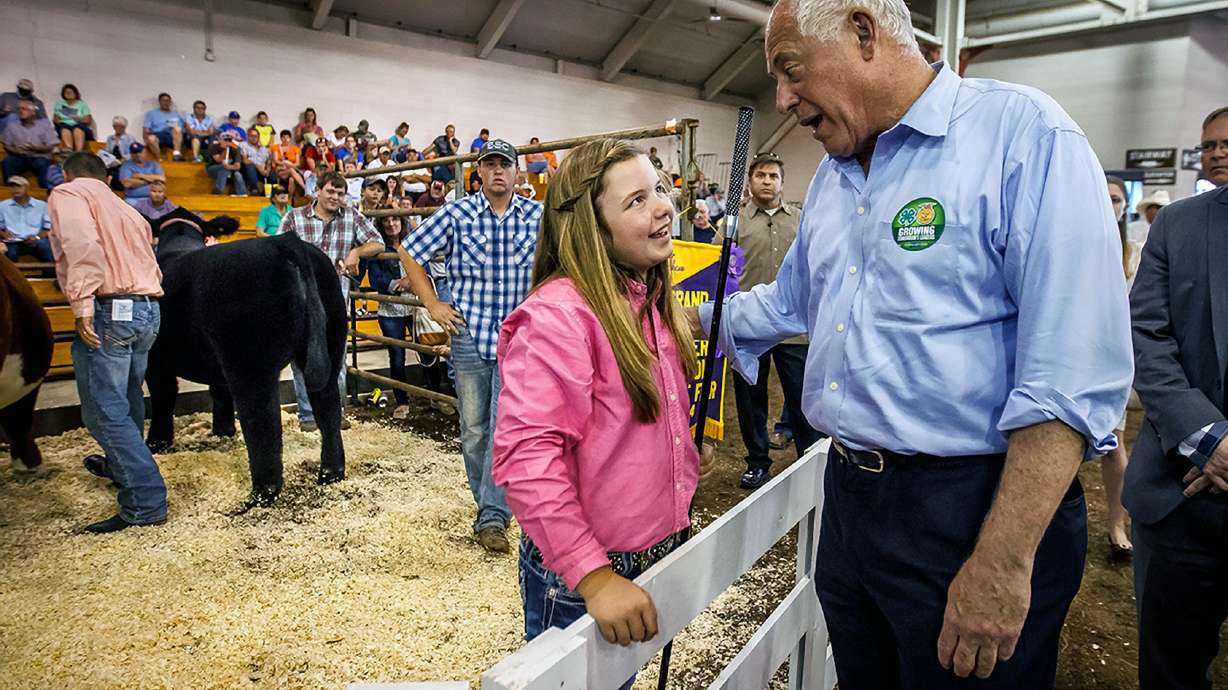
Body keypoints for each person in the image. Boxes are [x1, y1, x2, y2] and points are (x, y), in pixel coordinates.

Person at [692, 1, 1133, 687]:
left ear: (865, 34)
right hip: (851, 501)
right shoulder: (837, 177)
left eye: (790, 69)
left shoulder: (1023, 137)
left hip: (970, 510)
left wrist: (1003, 561)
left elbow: (1070, 377)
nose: (782, 98)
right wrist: (682, 319)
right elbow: (789, 304)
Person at [492, 139, 713, 681]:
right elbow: (526, 460)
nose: (663, 205)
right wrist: (594, 578)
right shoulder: (558, 317)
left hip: (643, 555)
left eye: (659, 189)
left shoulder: (644, 298)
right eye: (636, 201)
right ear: (594, 229)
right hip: (586, 573)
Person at [1125, 104, 1228, 690]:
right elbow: (1148, 337)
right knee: (1171, 668)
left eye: (1227, 142)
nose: (1216, 152)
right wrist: (1210, 442)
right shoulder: (1178, 225)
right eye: (1208, 144)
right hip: (1179, 495)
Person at [398, 139, 543, 553]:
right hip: (468, 335)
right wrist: (432, 303)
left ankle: (493, 515)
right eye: (490, 164)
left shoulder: (538, 216)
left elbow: (559, 262)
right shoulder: (457, 213)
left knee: (504, 427)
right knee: (474, 429)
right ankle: (489, 508)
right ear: (477, 172)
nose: (498, 171)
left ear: (518, 173)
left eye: (505, 165)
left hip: (518, 339)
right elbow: (409, 252)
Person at [48, 152, 167, 533]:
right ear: (109, 179)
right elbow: (152, 258)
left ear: (69, 174)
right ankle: (120, 469)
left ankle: (145, 501)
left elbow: (81, 244)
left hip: (109, 306)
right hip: (148, 308)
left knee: (104, 410)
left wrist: (82, 304)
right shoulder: (129, 210)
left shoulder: (69, 194)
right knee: (128, 396)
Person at [728, 152, 823, 490]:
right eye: (760, 176)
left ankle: (811, 461)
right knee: (750, 398)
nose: (767, 181)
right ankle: (757, 462)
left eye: (773, 176)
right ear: (750, 181)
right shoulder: (734, 224)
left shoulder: (802, 221)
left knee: (802, 396)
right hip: (748, 327)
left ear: (782, 183)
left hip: (795, 329)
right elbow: (719, 270)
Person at [277, 171, 385, 431]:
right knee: (303, 358)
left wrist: (356, 251)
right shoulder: (294, 217)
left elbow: (378, 243)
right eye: (330, 191)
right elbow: (277, 251)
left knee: (336, 360)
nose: (335, 197)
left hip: (336, 300)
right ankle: (308, 416)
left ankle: (335, 414)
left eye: (340, 193)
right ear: (318, 191)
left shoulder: (350, 216)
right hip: (301, 301)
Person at [1102, 174, 1138, 561]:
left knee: (1114, 446)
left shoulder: (1134, 252)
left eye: (1115, 197)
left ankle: (1116, 523)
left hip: (1119, 357)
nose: (1109, 202)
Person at [363, 213, 428, 421]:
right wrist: (399, 284)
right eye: (387, 220)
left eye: (395, 220)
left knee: (427, 349)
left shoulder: (414, 243)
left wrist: (412, 280)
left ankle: (436, 396)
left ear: (402, 222)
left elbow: (426, 266)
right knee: (397, 355)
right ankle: (402, 401)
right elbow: (376, 280)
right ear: (381, 225)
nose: (391, 223)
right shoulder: (379, 248)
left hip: (417, 306)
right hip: (391, 309)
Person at [1, 100, 58, 190]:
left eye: (24, 109)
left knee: (43, 164)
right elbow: (6, 145)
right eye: (19, 109)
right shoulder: (12, 126)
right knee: (8, 162)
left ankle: (44, 189)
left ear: (33, 112)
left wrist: (37, 148)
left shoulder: (45, 125)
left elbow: (51, 145)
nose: (20, 111)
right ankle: (10, 188)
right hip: (20, 157)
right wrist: (16, 151)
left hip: (39, 156)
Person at [1, 176, 52, 262]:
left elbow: (48, 228)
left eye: (18, 186)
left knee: (45, 246)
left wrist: (37, 237)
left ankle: (50, 274)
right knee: (9, 251)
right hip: (13, 240)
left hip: (36, 239)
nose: (15, 189)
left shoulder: (42, 205)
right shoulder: (2, 206)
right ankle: (12, 275)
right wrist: (3, 234)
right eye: (12, 186)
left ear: (26, 187)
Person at [142, 92, 184, 161]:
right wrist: (147, 136)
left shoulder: (176, 114)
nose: (166, 102)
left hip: (171, 136)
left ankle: (177, 154)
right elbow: (145, 130)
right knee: (151, 138)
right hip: (158, 136)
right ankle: (159, 157)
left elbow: (181, 130)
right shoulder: (151, 113)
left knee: (177, 129)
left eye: (168, 100)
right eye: (163, 100)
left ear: (170, 102)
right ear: (159, 102)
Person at [52, 84, 93, 152]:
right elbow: (55, 119)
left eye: (70, 92)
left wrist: (78, 119)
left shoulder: (82, 104)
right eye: (66, 92)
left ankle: (78, 152)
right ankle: (69, 150)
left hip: (79, 124)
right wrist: (62, 121)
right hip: (64, 125)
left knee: (77, 130)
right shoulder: (59, 104)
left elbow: (88, 120)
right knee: (65, 129)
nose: (68, 94)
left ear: (75, 93)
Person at [239, 127, 272, 196]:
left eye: (256, 136)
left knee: (273, 175)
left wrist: (267, 170)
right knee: (250, 167)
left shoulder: (264, 148)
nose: (254, 138)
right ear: (248, 136)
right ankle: (254, 189)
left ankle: (266, 194)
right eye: (252, 136)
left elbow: (269, 161)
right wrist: (257, 166)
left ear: (259, 137)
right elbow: (245, 160)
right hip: (248, 169)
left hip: (262, 170)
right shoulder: (243, 145)